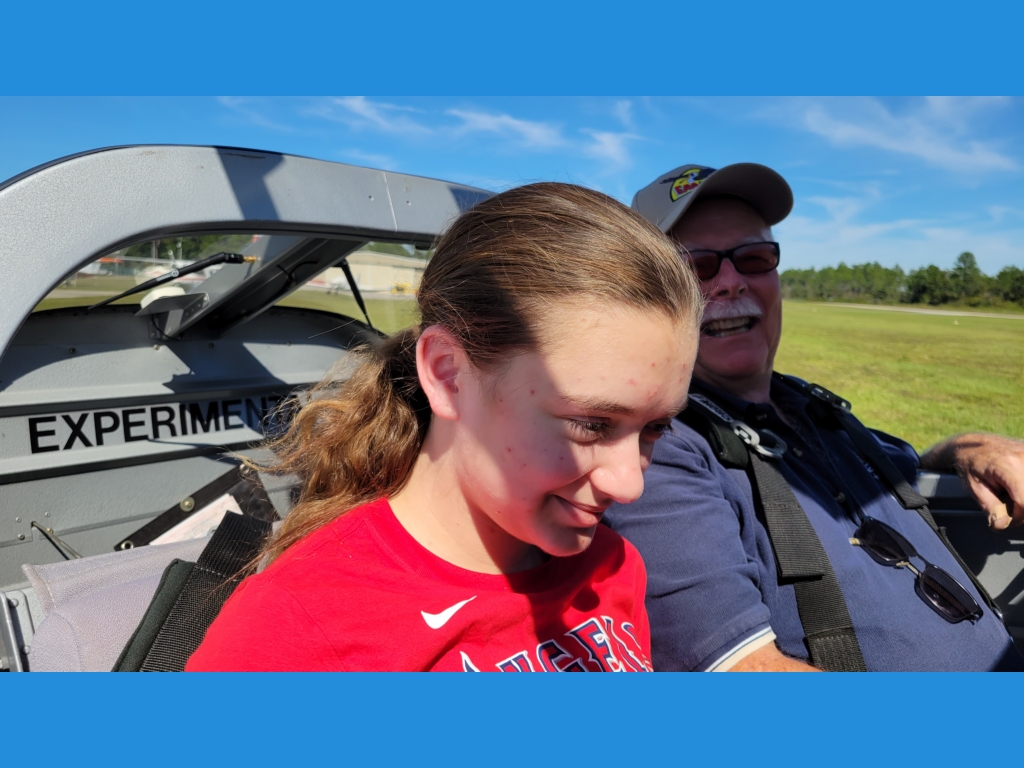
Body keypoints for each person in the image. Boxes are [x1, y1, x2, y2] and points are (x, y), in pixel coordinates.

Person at [186, 182, 704, 672]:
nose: (629, 485)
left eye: (656, 427)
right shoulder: (294, 630)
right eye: (590, 424)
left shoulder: (613, 567)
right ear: (448, 374)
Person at [605, 162, 1024, 672]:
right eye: (696, 266)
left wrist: (972, 449)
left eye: (754, 258)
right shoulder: (654, 450)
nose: (732, 282)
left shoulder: (811, 408)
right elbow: (737, 675)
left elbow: (908, 464)